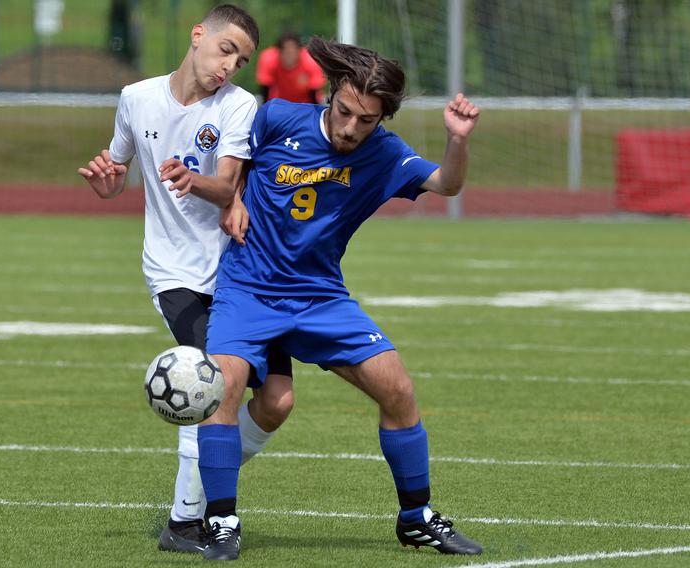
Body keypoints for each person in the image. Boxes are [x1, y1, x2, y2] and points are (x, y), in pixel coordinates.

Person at [197, 37, 483, 561]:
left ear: (382, 119)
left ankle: (416, 518)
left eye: (366, 120)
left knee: (397, 389)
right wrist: (232, 200)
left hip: (320, 298)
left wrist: (457, 140)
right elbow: (231, 167)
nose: (352, 127)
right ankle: (219, 520)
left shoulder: (385, 153)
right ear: (330, 93)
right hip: (248, 289)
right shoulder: (278, 118)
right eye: (345, 111)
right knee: (223, 388)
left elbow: (447, 184)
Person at [77, 4, 294, 555]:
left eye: (241, 60)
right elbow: (119, 173)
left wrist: (192, 181)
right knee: (211, 386)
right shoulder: (136, 98)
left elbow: (225, 187)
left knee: (276, 401)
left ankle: (204, 470)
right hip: (173, 272)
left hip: (240, 272)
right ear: (199, 36)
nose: (230, 66)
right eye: (226, 51)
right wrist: (108, 185)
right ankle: (185, 522)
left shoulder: (240, 107)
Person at [256, 31, 325, 103]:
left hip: (305, 104)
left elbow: (314, 93)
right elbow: (265, 90)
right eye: (285, 51)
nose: (289, 55)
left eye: (293, 51)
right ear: (278, 52)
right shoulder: (269, 59)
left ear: (299, 51)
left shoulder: (310, 61)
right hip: (281, 104)